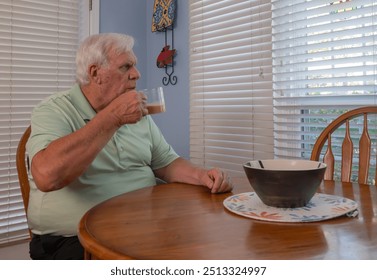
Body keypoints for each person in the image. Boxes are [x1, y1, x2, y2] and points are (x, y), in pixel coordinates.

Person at [26, 33, 233, 260]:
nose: (137, 74)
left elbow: (166, 162)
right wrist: (112, 118)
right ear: (95, 73)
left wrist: (202, 176)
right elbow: (47, 176)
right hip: (74, 238)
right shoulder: (54, 110)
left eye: (134, 66)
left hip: (143, 226)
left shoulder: (136, 112)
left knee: (208, 246)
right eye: (126, 67)